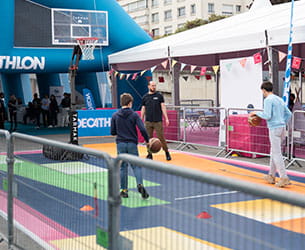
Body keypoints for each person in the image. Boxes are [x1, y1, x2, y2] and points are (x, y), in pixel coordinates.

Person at [250, 81, 292, 188]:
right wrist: (282, 121)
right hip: (282, 127)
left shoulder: (268, 100)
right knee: (274, 152)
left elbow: (267, 115)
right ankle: (271, 175)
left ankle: (284, 177)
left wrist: (256, 113)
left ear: (264, 90)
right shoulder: (279, 99)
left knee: (276, 153)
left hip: (274, 128)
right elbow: (289, 114)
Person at [111, 93, 150, 199]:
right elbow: (142, 129)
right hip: (132, 144)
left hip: (120, 144)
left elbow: (112, 132)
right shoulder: (134, 115)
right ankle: (140, 184)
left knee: (123, 167)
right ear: (130, 103)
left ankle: (124, 190)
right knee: (136, 166)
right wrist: (147, 141)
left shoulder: (115, 115)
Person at [141, 80, 171, 161]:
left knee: (161, 137)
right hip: (148, 121)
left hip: (158, 121)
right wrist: (141, 118)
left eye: (155, 85)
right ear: (148, 86)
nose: (154, 87)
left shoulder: (159, 96)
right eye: (152, 85)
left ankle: (167, 152)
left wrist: (166, 118)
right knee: (148, 138)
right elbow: (143, 108)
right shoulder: (145, 97)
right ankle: (149, 153)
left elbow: (163, 107)